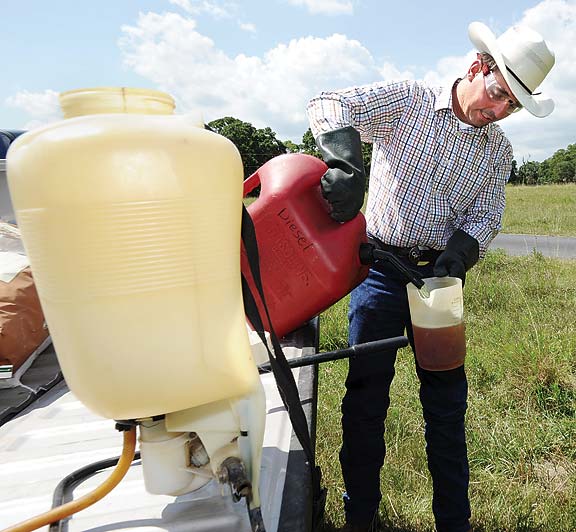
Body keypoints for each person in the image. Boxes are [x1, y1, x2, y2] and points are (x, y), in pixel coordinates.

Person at [306, 21, 555, 532]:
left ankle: (453, 522)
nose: (499, 110)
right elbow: (328, 104)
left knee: (446, 404)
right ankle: (361, 517)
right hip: (378, 271)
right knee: (366, 397)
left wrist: (462, 252)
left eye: (512, 105)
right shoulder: (409, 101)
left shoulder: (497, 152)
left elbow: (486, 214)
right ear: (477, 67)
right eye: (498, 93)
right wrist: (345, 163)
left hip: (439, 286)